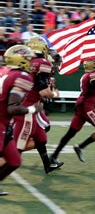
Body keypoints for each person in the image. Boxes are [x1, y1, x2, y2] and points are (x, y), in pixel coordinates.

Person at [12, 38, 63, 173]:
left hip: (25, 103)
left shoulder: (28, 62)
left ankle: (47, 165)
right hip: (28, 107)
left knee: (41, 138)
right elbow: (43, 91)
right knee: (19, 145)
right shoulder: (43, 63)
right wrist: (55, 94)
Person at [0, 45, 36, 196]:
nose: (31, 62)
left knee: (14, 161)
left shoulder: (4, 71)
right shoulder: (22, 76)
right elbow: (13, 108)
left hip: (5, 122)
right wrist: (33, 109)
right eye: (28, 58)